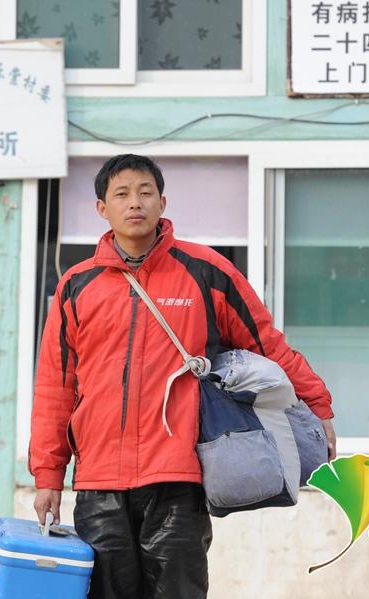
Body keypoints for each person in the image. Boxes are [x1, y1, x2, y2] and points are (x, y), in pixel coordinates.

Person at [30, 154, 335, 598]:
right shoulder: (76, 286)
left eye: (145, 192)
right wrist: (47, 475)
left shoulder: (206, 271)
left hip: (178, 476)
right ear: (102, 208)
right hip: (98, 480)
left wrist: (317, 407)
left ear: (162, 202)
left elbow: (267, 345)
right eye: (121, 194)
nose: (135, 202)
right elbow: (54, 386)